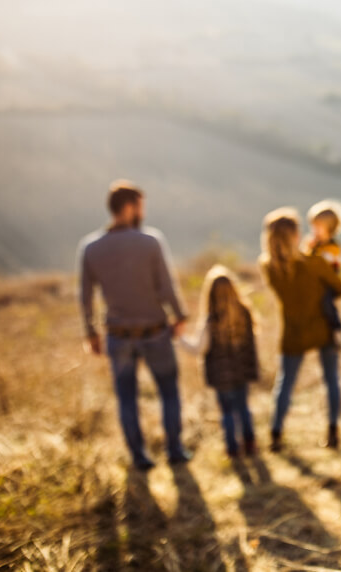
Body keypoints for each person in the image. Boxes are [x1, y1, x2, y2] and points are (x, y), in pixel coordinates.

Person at [78, 179, 191, 470]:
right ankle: (175, 450)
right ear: (129, 207)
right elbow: (166, 286)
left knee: (126, 398)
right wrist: (180, 316)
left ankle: (139, 457)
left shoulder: (91, 247)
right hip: (154, 331)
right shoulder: (150, 241)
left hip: (117, 335)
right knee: (169, 392)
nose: (142, 213)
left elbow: (86, 297)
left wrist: (91, 333)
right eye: (140, 207)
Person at [260, 207, 341, 451]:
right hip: (323, 327)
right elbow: (340, 288)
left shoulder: (268, 267)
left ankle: (275, 434)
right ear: (295, 236)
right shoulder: (315, 263)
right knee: (331, 380)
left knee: (285, 383)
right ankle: (333, 432)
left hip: (293, 331)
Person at [181, 265, 259, 458]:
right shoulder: (245, 313)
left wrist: (178, 338)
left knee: (227, 413)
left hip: (220, 376)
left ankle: (232, 449)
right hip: (242, 372)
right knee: (243, 408)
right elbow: (251, 346)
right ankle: (250, 444)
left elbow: (197, 348)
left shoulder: (210, 320)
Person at [303, 200, 341, 347]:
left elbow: (330, 266)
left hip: (328, 284)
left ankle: (337, 328)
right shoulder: (313, 244)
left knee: (326, 302)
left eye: (318, 227)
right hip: (313, 283)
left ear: (329, 228)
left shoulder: (333, 247)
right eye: (313, 226)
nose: (314, 230)